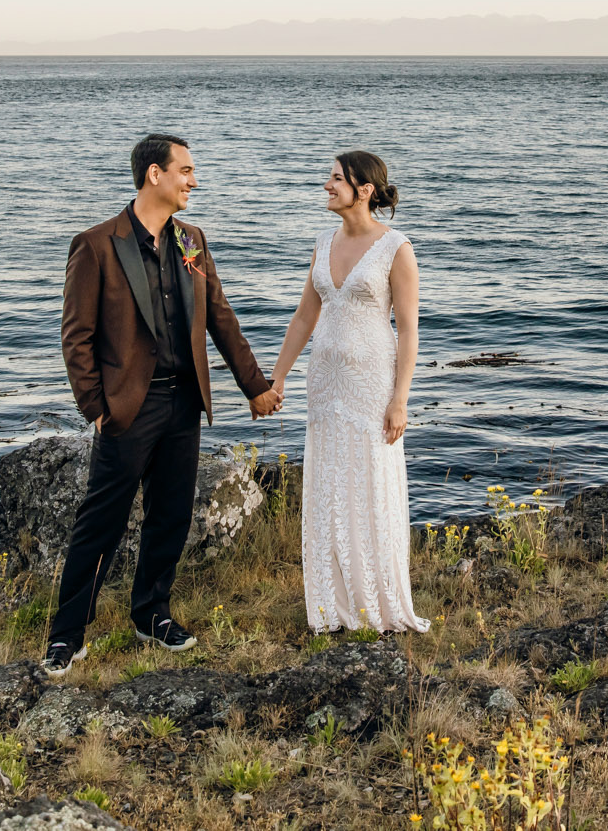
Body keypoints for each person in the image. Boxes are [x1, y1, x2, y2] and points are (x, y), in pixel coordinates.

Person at [44, 134, 281, 675]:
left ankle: (151, 614)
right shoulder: (97, 244)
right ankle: (66, 635)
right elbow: (75, 336)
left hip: (184, 403)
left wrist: (256, 387)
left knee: (170, 516)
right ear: (155, 174)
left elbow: (221, 318)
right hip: (128, 407)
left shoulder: (192, 241)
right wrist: (96, 408)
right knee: (100, 522)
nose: (193, 180)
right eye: (186, 171)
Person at [267, 150, 429, 635]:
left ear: (363, 190)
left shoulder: (395, 247)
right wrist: (276, 380)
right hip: (325, 385)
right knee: (331, 487)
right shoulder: (323, 241)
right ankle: (332, 606)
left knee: (371, 486)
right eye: (329, 177)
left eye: (336, 179)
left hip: (370, 386)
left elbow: (409, 331)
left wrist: (400, 399)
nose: (326, 185)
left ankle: (377, 604)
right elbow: (304, 317)